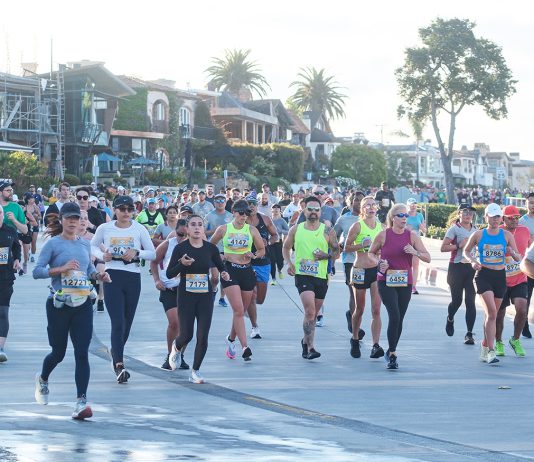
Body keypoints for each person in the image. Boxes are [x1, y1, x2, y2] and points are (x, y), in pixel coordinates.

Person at [32, 202, 111, 419]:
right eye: (69, 218)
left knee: (81, 352)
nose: (73, 222)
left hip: (82, 303)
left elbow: (89, 269)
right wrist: (61, 269)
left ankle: (81, 402)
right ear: (61, 220)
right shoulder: (53, 244)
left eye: (76, 218)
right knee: (58, 353)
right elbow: (37, 271)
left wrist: (99, 276)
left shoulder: (84, 244)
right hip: (59, 304)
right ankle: (43, 378)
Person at [91, 195, 156, 383]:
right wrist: (102, 255)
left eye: (130, 209)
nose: (126, 213)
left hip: (133, 276)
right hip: (113, 275)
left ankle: (116, 351)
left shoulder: (139, 228)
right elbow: (92, 246)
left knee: (127, 323)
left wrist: (137, 252)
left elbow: (152, 253)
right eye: (122, 209)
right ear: (115, 210)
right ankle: (119, 364)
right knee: (118, 321)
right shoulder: (105, 228)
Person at [166, 215, 230, 383]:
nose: (196, 227)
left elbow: (220, 265)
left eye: (200, 225)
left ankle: (195, 371)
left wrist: (224, 273)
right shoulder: (180, 248)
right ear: (187, 229)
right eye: (193, 225)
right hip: (186, 296)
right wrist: (182, 264)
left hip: (205, 296)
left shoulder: (211, 248)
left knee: (203, 336)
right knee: (186, 335)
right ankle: (176, 347)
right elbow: (169, 273)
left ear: (203, 229)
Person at [368, 203, 431, 369]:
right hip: (386, 280)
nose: (404, 218)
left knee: (399, 318)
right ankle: (393, 354)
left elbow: (428, 257)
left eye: (406, 215)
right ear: (392, 217)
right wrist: (379, 262)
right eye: (400, 215)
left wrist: (415, 252)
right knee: (394, 315)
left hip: (405, 281)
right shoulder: (383, 235)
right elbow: (371, 253)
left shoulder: (412, 236)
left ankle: (391, 349)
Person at [282, 196, 341, 360]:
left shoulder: (327, 231)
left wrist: (326, 255)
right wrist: (289, 263)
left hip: (321, 276)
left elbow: (337, 252)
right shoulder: (296, 229)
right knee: (310, 311)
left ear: (321, 212)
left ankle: (305, 341)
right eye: (310, 209)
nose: (313, 212)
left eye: (316, 209)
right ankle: (311, 347)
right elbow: (286, 247)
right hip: (303, 275)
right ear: (304, 210)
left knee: (313, 314)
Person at [464, 203, 521, 364]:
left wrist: (513, 253)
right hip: (483, 275)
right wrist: (473, 261)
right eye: (492, 216)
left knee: (492, 315)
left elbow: (517, 256)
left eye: (498, 217)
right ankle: (490, 351)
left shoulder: (507, 235)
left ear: (501, 218)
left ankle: (484, 345)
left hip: (500, 277)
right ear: (486, 217)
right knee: (492, 313)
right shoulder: (478, 234)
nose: (495, 219)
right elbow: (466, 251)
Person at [210, 200, 265, 361]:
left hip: (246, 271)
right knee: (239, 310)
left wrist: (253, 255)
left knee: (240, 312)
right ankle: (245, 347)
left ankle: (231, 339)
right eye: (241, 213)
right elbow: (210, 247)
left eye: (247, 213)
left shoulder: (252, 230)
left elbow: (262, 249)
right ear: (233, 213)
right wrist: (219, 256)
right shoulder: (224, 229)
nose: (244, 216)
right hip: (229, 270)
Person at [343, 196, 385, 359]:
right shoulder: (357, 226)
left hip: (375, 270)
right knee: (359, 309)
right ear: (362, 209)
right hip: (360, 269)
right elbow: (346, 248)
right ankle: (355, 339)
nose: (371, 207)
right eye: (367, 205)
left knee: (376, 309)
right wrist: (362, 245)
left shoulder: (381, 227)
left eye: (373, 205)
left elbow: (385, 248)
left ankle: (375, 345)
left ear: (377, 208)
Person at [150, 218, 190, 370]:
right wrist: (156, 280)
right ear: (175, 232)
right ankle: (170, 355)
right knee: (174, 323)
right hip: (169, 289)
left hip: (188, 289)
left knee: (186, 326)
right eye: (179, 234)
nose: (182, 238)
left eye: (185, 235)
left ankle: (180, 355)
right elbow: (154, 261)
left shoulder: (196, 245)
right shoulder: (168, 244)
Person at [495, 205, 531, 357]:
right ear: (503, 218)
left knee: (522, 310)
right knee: (500, 314)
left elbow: (531, 249)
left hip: (520, 278)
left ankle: (515, 340)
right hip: (500, 279)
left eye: (517, 217)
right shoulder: (497, 231)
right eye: (511, 218)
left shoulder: (524, 230)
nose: (515, 220)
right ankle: (498, 341)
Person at [440, 204, 478, 344]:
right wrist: (458, 245)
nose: (468, 215)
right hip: (456, 268)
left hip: (471, 268)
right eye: (465, 212)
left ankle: (469, 334)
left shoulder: (476, 230)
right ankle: (450, 318)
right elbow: (443, 247)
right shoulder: (454, 229)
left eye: (471, 213)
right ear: (459, 214)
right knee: (457, 301)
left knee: (470, 301)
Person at [245, 195, 278, 339]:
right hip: (246, 262)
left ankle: (247, 308)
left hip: (263, 262)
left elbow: (275, 235)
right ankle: (255, 326)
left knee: (260, 299)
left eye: (253, 203)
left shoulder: (265, 219)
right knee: (251, 295)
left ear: (257, 205)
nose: (251, 206)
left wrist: (268, 242)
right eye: (248, 204)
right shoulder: (241, 220)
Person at [334, 191, 365, 334]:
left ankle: (352, 317)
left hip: (368, 261)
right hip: (350, 261)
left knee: (363, 295)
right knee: (354, 293)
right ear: (351, 202)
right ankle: (354, 328)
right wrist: (338, 247)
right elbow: (333, 236)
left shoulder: (371, 218)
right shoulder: (343, 219)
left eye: (362, 200)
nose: (359, 202)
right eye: (356, 200)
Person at [0, 205, 22, 362]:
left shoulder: (10, 230)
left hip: (5, 277)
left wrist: (17, 259)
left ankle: (0, 348)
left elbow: (16, 246)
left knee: (2, 311)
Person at [204, 194, 233, 308]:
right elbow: (203, 232)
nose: (220, 203)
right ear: (214, 203)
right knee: (215, 278)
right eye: (217, 201)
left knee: (225, 276)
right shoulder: (209, 216)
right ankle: (214, 290)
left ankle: (222, 298)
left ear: (225, 202)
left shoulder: (231, 216)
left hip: (227, 250)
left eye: (222, 201)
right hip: (213, 249)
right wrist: (215, 231)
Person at [519, 192, 534, 338]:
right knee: (527, 296)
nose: (533, 205)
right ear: (526, 204)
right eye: (531, 202)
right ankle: (524, 325)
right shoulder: (521, 222)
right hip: (529, 264)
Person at [405, 198, 426, 294]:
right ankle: (404, 283)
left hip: (417, 241)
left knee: (415, 265)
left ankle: (413, 286)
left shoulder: (420, 215)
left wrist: (422, 227)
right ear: (408, 205)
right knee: (405, 264)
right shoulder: (404, 215)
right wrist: (406, 229)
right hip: (406, 241)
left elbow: (425, 231)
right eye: (411, 205)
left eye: (414, 204)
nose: (413, 206)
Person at [269, 204, 289, 284]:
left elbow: (288, 231)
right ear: (271, 210)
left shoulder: (282, 221)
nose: (276, 209)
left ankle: (280, 270)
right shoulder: (268, 220)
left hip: (279, 242)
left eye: (278, 208)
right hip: (270, 242)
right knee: (272, 260)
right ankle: (273, 279)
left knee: (280, 260)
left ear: (280, 211)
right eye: (274, 208)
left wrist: (281, 231)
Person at [24, 194, 41, 262]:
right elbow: (21, 216)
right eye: (32, 198)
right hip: (27, 226)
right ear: (28, 200)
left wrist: (36, 217)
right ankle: (27, 253)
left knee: (34, 241)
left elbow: (40, 217)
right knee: (27, 241)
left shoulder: (35, 207)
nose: (34, 199)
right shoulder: (25, 207)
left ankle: (32, 256)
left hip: (35, 226)